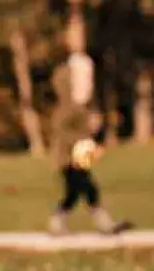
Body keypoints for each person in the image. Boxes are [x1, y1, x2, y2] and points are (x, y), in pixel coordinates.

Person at [46, 49, 127, 235]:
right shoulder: (67, 106)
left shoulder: (81, 106)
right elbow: (61, 130)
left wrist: (92, 128)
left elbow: (80, 129)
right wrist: (83, 141)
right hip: (67, 158)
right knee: (89, 189)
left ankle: (57, 223)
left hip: (77, 157)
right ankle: (104, 224)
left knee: (74, 193)